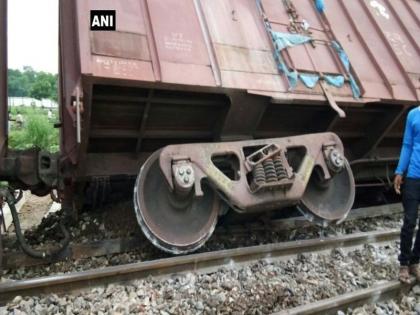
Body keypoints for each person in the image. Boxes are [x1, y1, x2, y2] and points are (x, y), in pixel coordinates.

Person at [394, 106, 420, 283]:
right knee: (409, 221)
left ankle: (415, 262)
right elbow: (407, 145)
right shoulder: (413, 114)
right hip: (413, 176)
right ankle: (404, 263)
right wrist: (399, 171)